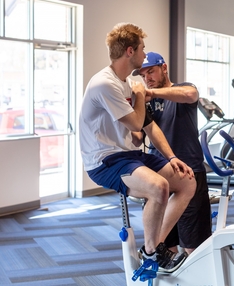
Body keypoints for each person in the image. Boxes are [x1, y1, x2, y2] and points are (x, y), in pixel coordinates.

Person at [79, 23, 196, 272]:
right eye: (143, 49)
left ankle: (155, 247)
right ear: (130, 51)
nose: (145, 54)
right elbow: (136, 121)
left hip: (128, 155)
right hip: (103, 161)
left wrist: (172, 157)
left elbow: (148, 126)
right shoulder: (105, 84)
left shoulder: (126, 83)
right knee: (158, 187)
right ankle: (153, 252)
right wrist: (141, 97)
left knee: (187, 180)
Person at [133, 52, 211, 256]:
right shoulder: (146, 103)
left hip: (189, 172)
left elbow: (191, 95)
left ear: (164, 68)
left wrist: (152, 93)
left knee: (193, 246)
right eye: (143, 76)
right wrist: (127, 113)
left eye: (151, 72)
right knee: (163, 243)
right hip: (159, 175)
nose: (147, 78)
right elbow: (137, 139)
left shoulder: (182, 89)